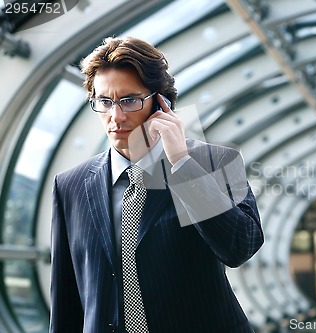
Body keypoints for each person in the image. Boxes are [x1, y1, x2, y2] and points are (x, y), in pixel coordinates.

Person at [50, 36, 264, 333]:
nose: (116, 116)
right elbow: (66, 296)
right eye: (104, 102)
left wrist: (181, 164)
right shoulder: (70, 185)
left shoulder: (215, 161)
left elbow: (239, 247)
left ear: (161, 102)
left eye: (130, 100)